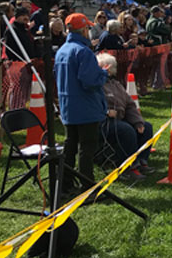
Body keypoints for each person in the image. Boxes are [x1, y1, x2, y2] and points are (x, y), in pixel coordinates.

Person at [54, 13, 109, 195]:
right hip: (85, 107)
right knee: (87, 146)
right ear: (84, 30)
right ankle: (88, 186)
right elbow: (90, 81)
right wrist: (103, 73)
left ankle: (65, 184)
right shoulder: (83, 52)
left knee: (70, 146)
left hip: (68, 106)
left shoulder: (61, 51)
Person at [97, 53, 154, 179]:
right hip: (103, 122)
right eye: (113, 67)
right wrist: (106, 112)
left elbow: (130, 105)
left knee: (146, 127)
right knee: (126, 131)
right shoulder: (96, 86)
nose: (114, 70)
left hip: (120, 119)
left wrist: (138, 122)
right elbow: (92, 104)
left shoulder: (117, 85)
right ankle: (126, 167)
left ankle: (141, 160)